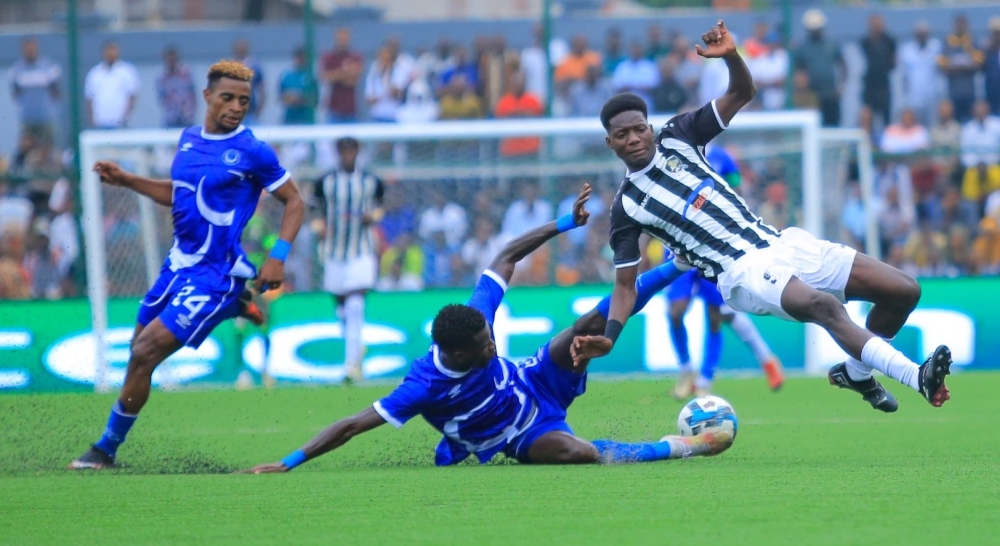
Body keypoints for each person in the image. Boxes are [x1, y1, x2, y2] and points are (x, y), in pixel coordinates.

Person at [581, 20, 952, 416]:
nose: (634, 139)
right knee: (824, 306)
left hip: (779, 242)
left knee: (903, 291)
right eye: (623, 135)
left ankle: (857, 374)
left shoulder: (678, 135)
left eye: (639, 129)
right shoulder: (627, 207)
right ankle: (917, 376)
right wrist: (610, 335)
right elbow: (624, 287)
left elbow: (742, 91)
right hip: (740, 272)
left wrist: (731, 58)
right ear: (610, 143)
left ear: (650, 127)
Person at [244, 184, 732, 473]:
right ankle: (679, 447)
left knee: (587, 323)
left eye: (489, 336)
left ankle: (676, 265)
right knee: (574, 453)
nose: (492, 343)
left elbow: (505, 256)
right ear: (456, 355)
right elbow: (351, 425)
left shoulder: (475, 315)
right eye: (484, 346)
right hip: (517, 432)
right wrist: (288, 462)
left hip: (534, 379)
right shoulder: (420, 387)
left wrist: (564, 222)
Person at [69, 60, 306, 469]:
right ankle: (236, 306)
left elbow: (295, 201)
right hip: (177, 266)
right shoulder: (188, 139)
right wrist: (127, 180)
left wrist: (278, 256)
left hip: (215, 274)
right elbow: (179, 192)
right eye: (228, 98)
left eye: (244, 101)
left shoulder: (252, 150)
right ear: (207, 96)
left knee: (144, 353)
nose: (236, 107)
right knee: (135, 353)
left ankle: (104, 450)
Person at [657, 144, 784, 398]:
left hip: (713, 244)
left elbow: (735, 187)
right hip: (678, 242)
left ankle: (704, 380)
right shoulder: (670, 157)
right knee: (676, 311)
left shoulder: (721, 157)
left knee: (719, 314)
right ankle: (687, 370)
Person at [313, 138, 384, 383]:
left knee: (356, 305)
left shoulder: (371, 181)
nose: (348, 155)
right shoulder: (325, 182)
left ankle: (351, 365)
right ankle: (355, 348)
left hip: (361, 250)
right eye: (343, 151)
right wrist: (319, 227)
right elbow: (316, 210)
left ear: (358, 152)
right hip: (333, 252)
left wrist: (373, 216)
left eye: (351, 150)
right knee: (342, 309)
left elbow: (381, 207)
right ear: (337, 153)